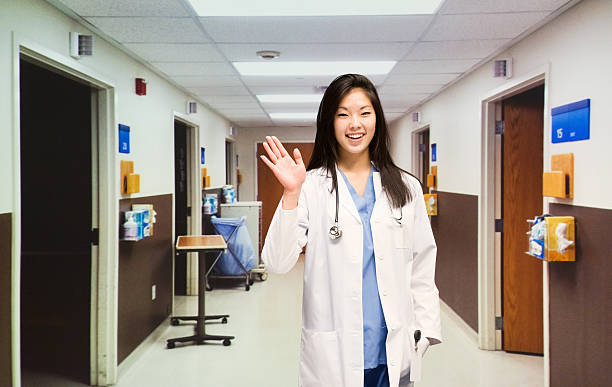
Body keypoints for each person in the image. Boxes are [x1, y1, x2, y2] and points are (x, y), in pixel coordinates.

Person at [260, 74, 441, 387]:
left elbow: (422, 266)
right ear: (329, 122)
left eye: (364, 113)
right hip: (333, 356)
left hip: (394, 351)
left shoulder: (406, 187)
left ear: (377, 120)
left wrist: (425, 331)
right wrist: (290, 193)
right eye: (343, 114)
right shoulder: (311, 187)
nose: (355, 123)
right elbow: (277, 263)